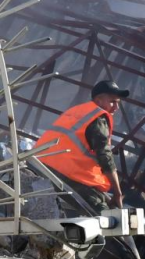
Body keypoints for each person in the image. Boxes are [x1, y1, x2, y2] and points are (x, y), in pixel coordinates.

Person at [36, 80, 128, 214]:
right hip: (69, 175)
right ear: (98, 100)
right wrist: (117, 193)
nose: (116, 107)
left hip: (41, 164)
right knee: (104, 216)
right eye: (112, 101)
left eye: (118, 102)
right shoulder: (97, 118)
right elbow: (105, 157)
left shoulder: (76, 111)